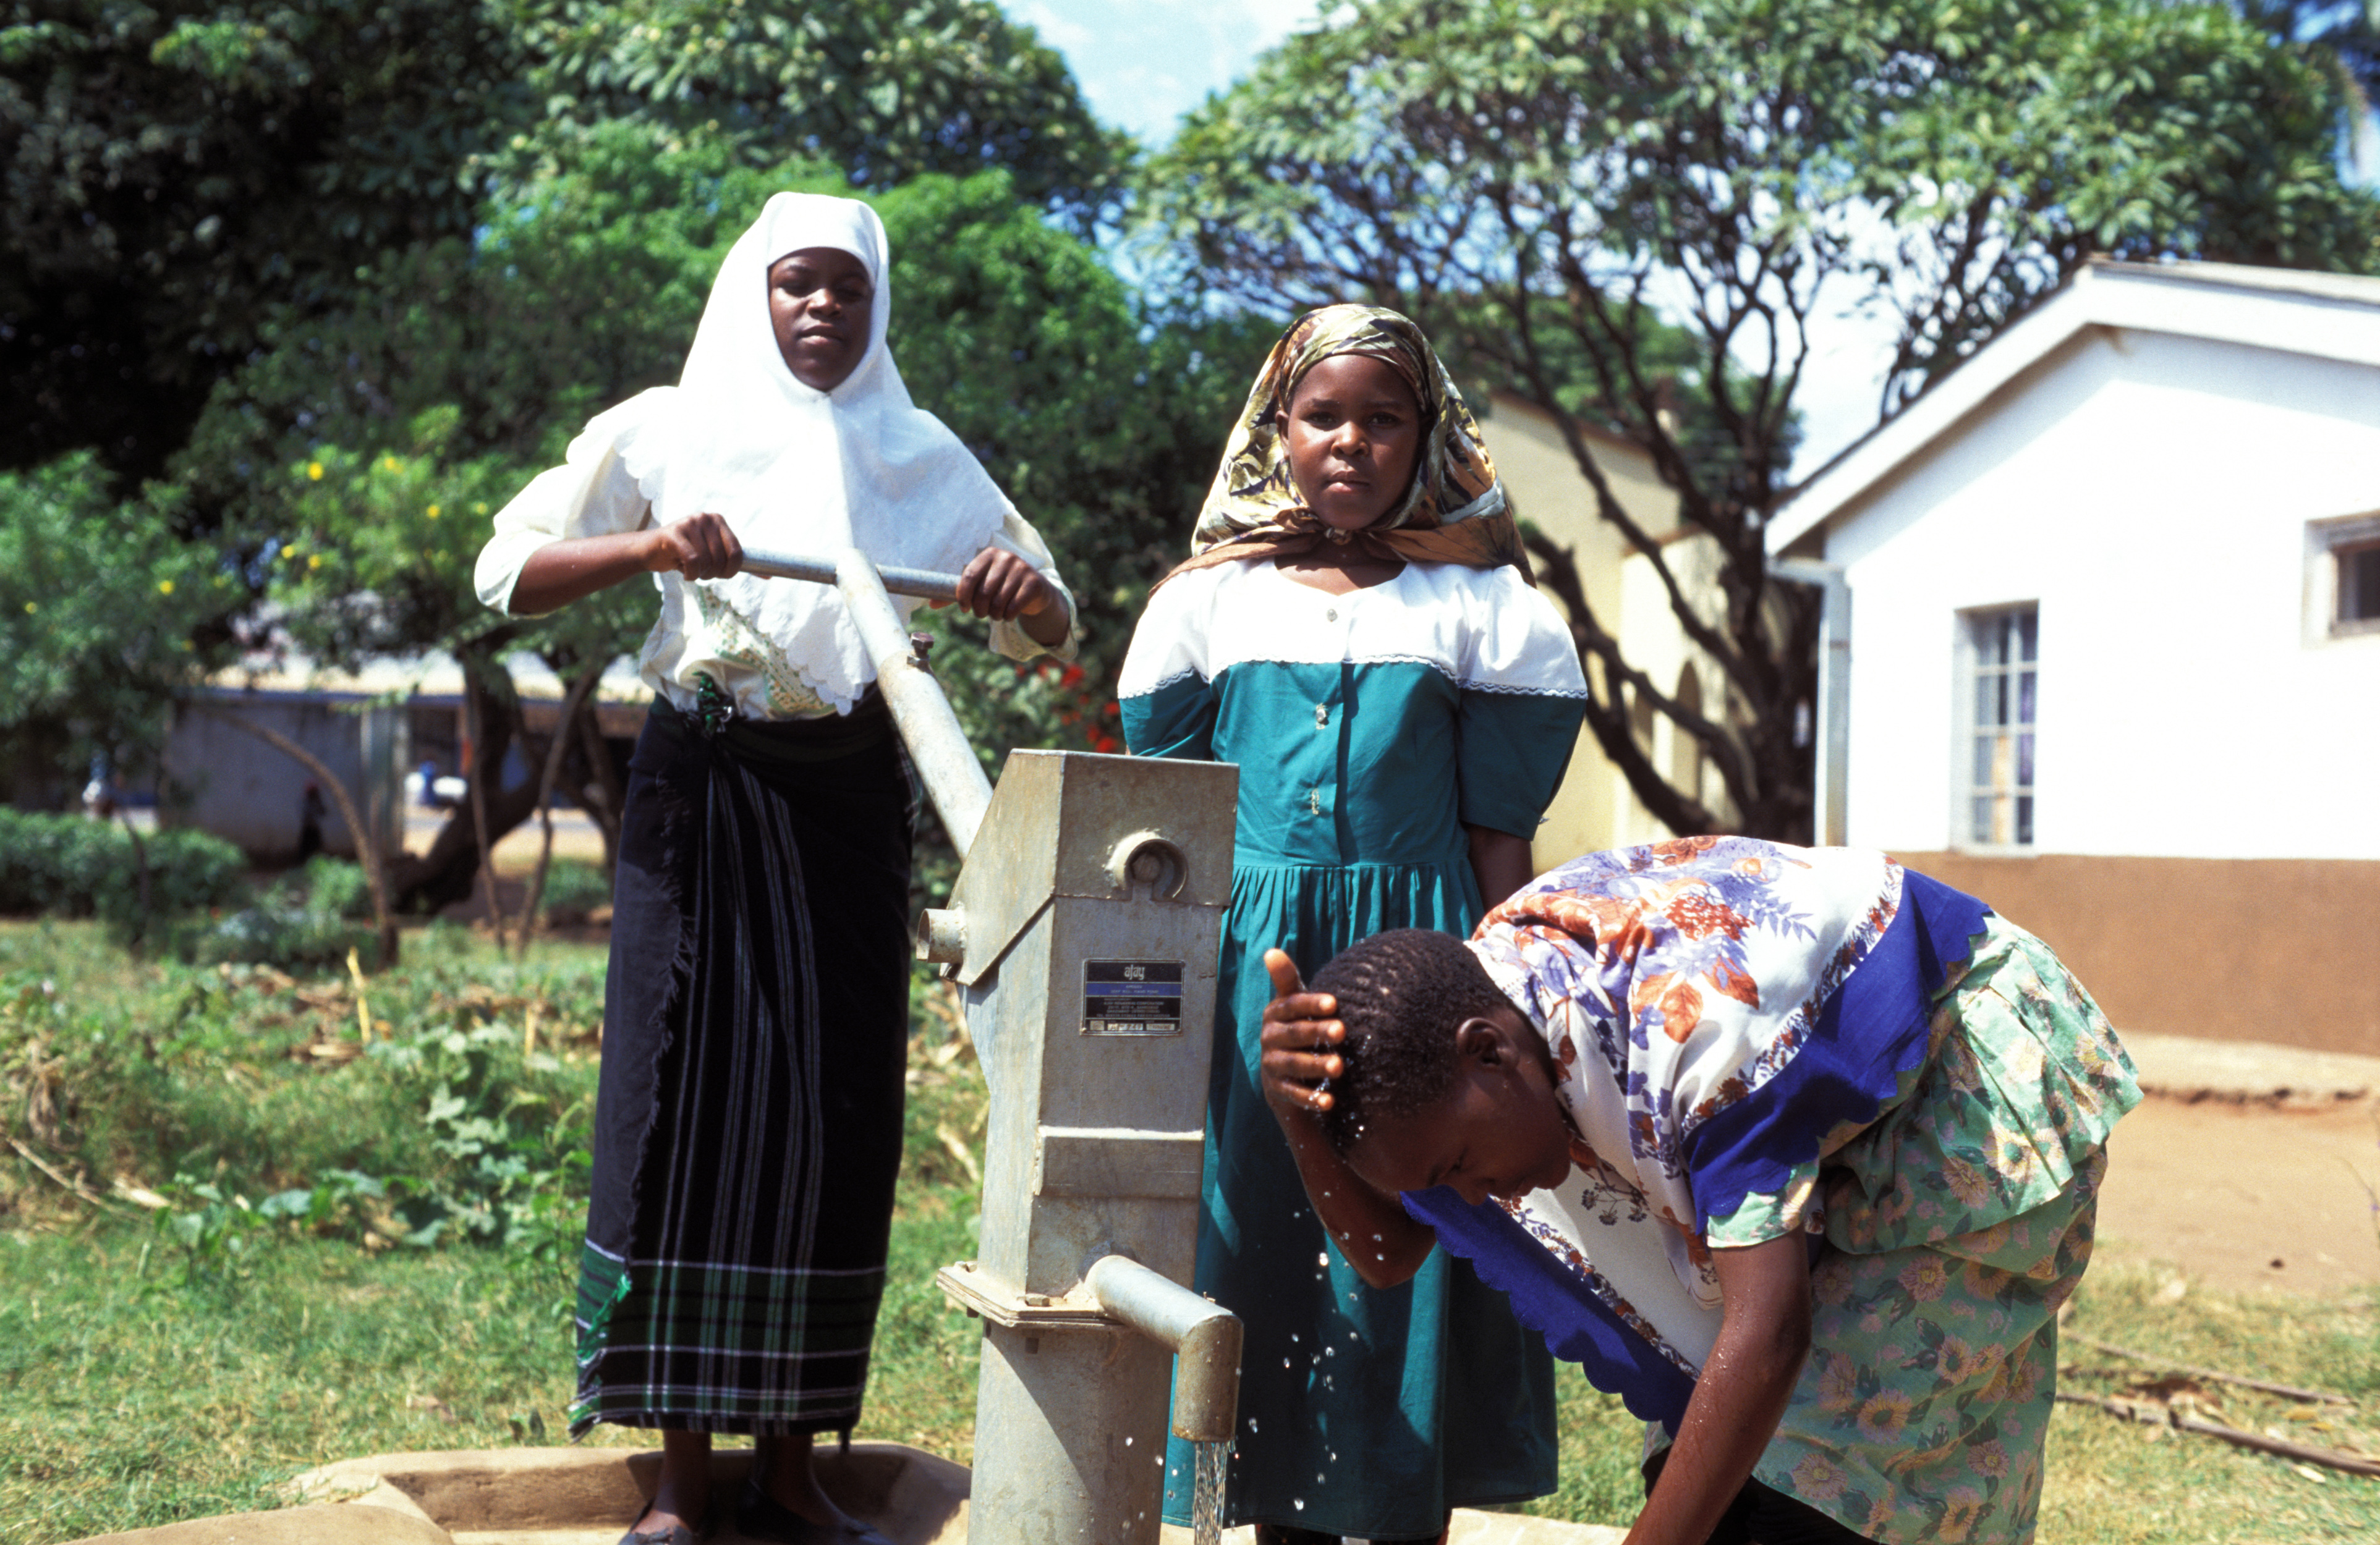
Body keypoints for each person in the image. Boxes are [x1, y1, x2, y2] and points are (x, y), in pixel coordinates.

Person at [475, 193, 1077, 1545]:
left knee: (830, 1111)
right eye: (796, 285)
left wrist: (1009, 595)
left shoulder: (920, 452)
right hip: (704, 785)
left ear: (876, 307)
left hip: (850, 795)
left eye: (844, 291)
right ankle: (681, 1485)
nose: (820, 310)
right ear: (755, 291)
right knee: (681, 1094)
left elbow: (1048, 619)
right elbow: (504, 568)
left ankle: (796, 1472)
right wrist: (649, 544)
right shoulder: (666, 426)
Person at [1256, 837, 2143, 1545]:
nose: (1480, 1195)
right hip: (1810, 1124)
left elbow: (1767, 1332)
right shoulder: (1468, 1061)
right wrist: (1295, 1112)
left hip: (1956, 1091)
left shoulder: (1691, 1042)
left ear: (1488, 1051)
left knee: (1837, 1475)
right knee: (1714, 1476)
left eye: (1457, 1171)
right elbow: (1385, 1255)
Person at [1118, 304, 1588, 1544]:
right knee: (1263, 1227)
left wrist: (1508, 992)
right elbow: (1162, 830)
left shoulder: (1479, 608)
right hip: (1248, 978)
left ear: (1425, 437)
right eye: (1322, 415)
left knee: (1416, 1214)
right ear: (1277, 429)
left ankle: (1404, 1507)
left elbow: (1498, 838)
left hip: (1428, 965)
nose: (1350, 443)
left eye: (1383, 419)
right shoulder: (1204, 609)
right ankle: (1270, 1516)